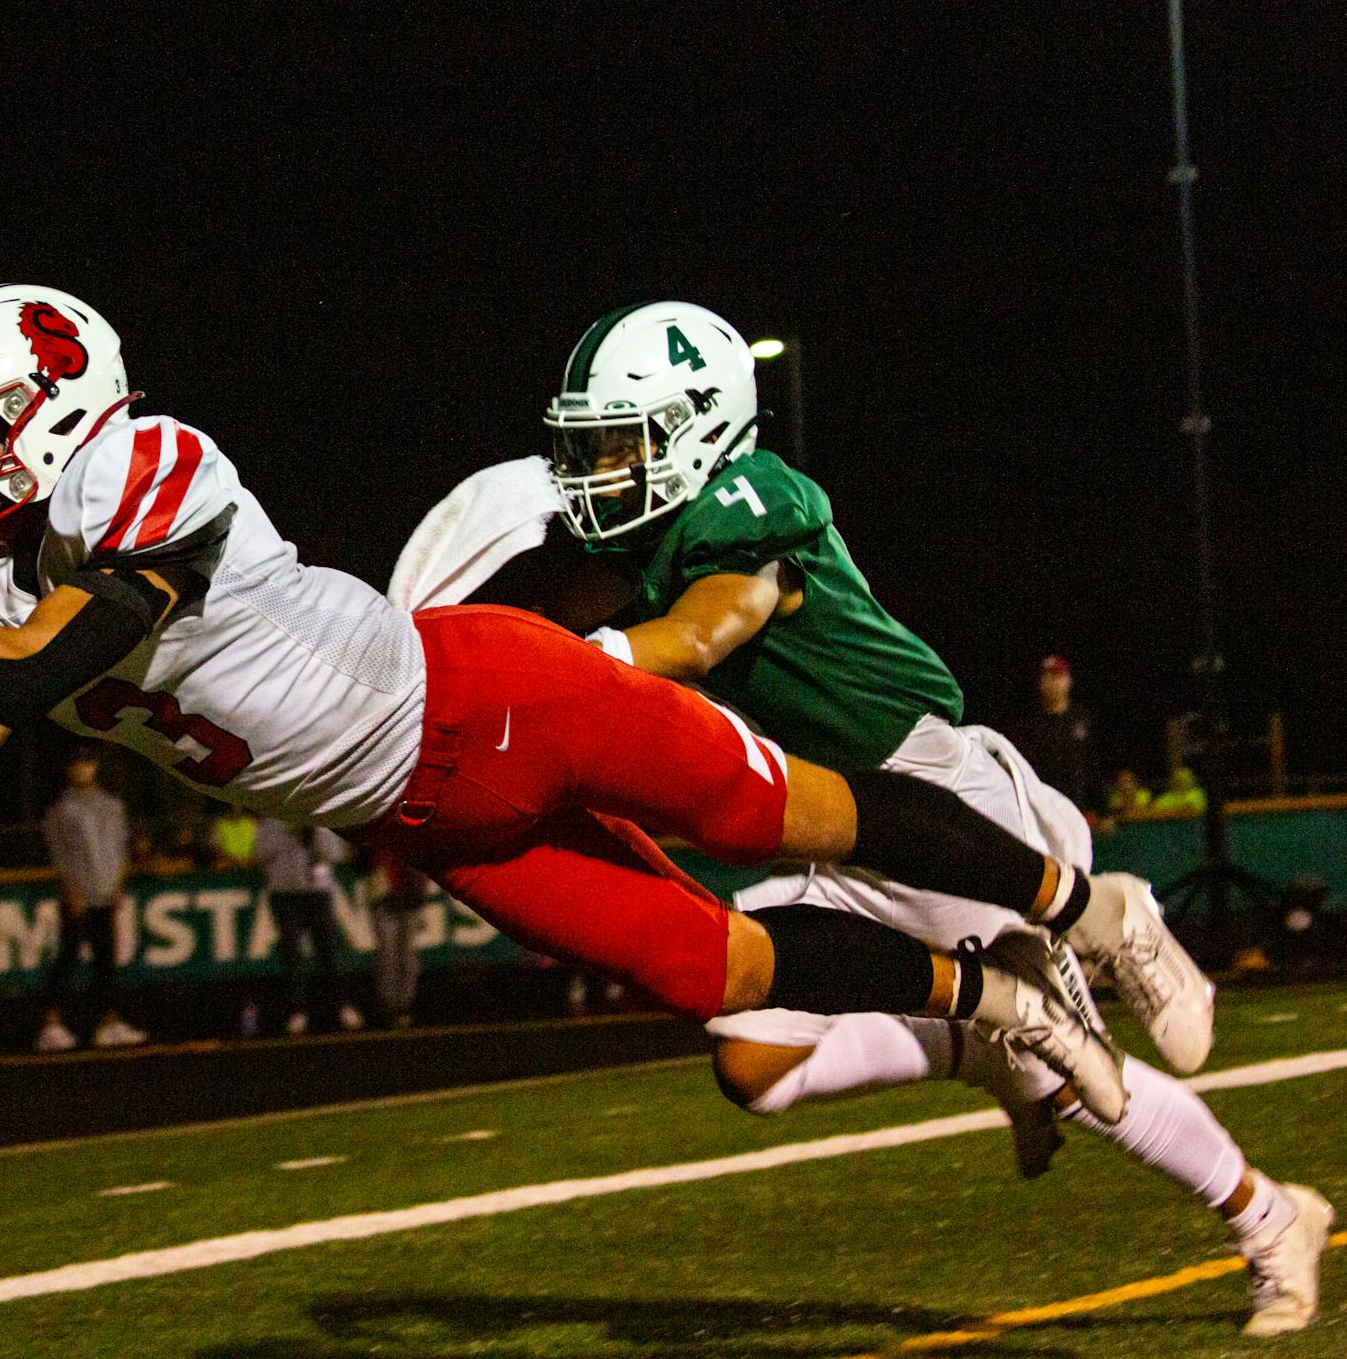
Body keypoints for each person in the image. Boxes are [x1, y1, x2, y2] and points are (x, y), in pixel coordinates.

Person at [0, 282, 1200, 1132]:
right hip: (416, 814)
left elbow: (36, 675)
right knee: (724, 975)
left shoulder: (138, 464)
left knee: (783, 805)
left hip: (487, 696)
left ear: (53, 406)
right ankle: (998, 1000)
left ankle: (1088, 907)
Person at [431, 298, 1323, 1336]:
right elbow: (562, 616)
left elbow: (705, 630)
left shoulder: (750, 502)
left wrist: (576, 675)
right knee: (753, 1062)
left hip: (935, 808)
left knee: (1083, 1082)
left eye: (621, 442)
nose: (599, 468)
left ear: (699, 428)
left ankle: (1269, 1220)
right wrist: (454, 657)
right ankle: (981, 1041)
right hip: (836, 822)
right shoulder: (650, 540)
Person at [36, 750, 145, 1052]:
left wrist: (118, 886)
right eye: (76, 764)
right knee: (67, 960)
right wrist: (71, 891)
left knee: (105, 963)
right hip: (80, 896)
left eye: (87, 763)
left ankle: (107, 1024)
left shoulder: (111, 805)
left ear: (95, 766)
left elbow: (121, 848)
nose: (82, 769)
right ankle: (51, 1025)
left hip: (106, 893)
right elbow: (59, 854)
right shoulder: (61, 808)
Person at [254, 818, 362, 1034]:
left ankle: (341, 1005)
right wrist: (285, 835)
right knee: (293, 953)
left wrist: (316, 837)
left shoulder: (319, 818)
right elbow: (259, 854)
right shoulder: (273, 820)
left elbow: (337, 854)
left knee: (329, 949)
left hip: (317, 890)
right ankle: (298, 1010)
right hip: (285, 893)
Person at [1011, 655, 1096, 815]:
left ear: (1068, 681)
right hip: (1042, 811)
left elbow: (1092, 764)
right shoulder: (1029, 726)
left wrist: (1101, 809)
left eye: (1057, 677)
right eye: (1046, 678)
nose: (1051, 683)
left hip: (1078, 811)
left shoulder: (1082, 720)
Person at [366, 847, 429, 1027]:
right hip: (386, 893)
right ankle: (390, 1007)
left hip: (410, 892)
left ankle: (403, 1006)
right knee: (388, 953)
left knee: (406, 953)